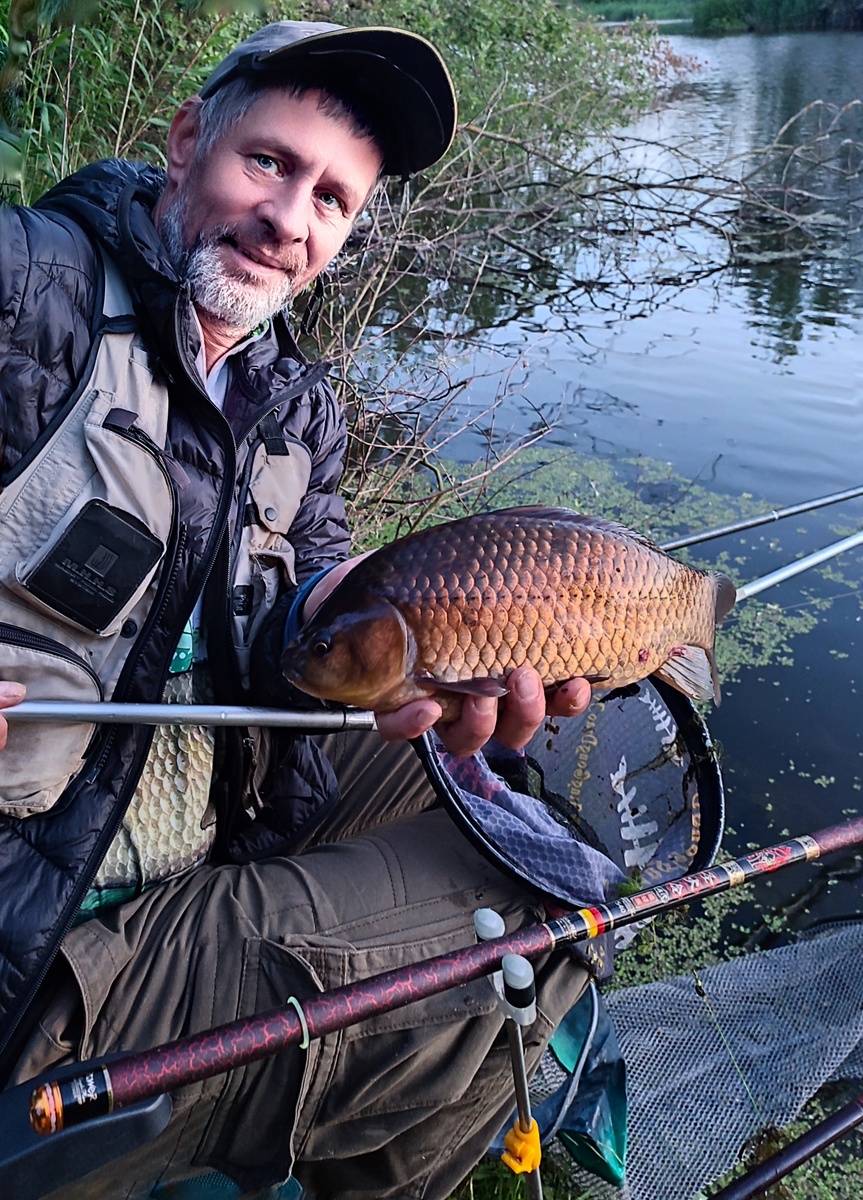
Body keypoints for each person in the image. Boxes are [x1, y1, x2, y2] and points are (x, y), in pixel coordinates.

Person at [0, 20, 597, 1200]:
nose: (289, 219)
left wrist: (435, 624)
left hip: (208, 805)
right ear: (186, 142)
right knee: (532, 918)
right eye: (267, 162)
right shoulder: (31, 289)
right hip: (38, 927)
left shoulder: (292, 401)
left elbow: (310, 584)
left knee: (527, 818)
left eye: (332, 198)